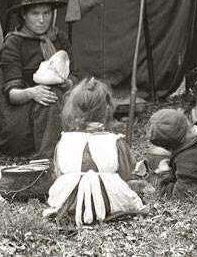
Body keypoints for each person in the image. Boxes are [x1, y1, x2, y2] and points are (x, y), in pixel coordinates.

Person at [43, 78, 145, 226]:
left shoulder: (64, 141)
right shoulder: (115, 141)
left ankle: (76, 207)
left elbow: (58, 173)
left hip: (69, 202)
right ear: (107, 109)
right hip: (109, 201)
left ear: (72, 110)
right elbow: (125, 174)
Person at [0, 0, 71, 159]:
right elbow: (12, 94)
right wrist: (32, 92)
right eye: (35, 14)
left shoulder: (59, 38)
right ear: (24, 15)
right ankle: (46, 157)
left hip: (60, 102)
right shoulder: (14, 43)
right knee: (49, 98)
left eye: (46, 13)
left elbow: (74, 74)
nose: (42, 20)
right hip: (25, 116)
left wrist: (68, 82)